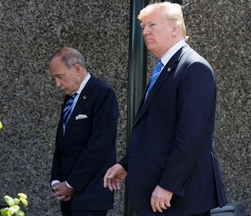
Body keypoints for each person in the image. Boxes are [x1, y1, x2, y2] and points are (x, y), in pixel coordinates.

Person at [104, 2, 227, 216]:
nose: (145, 31)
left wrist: (169, 185)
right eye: (143, 26)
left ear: (174, 29)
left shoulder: (194, 67)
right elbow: (157, 131)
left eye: (152, 24)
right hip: (159, 197)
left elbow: (191, 135)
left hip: (178, 199)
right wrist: (126, 164)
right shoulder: (163, 68)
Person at [49, 47, 119, 216]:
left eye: (60, 77)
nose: (57, 84)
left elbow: (100, 145)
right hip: (67, 194)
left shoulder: (103, 93)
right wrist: (57, 180)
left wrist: (72, 184)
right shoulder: (70, 98)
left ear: (77, 69)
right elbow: (62, 144)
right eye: (55, 78)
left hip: (91, 195)